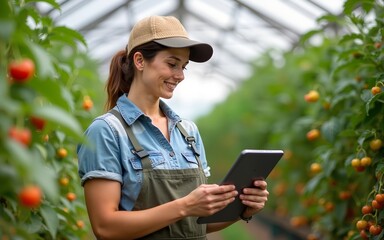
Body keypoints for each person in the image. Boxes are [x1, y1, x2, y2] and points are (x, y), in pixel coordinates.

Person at [77, 15, 269, 240]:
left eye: (184, 67)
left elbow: (197, 225)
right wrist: (186, 205)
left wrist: (243, 210)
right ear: (139, 61)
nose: (180, 76)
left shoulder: (187, 132)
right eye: (172, 64)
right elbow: (105, 228)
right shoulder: (108, 131)